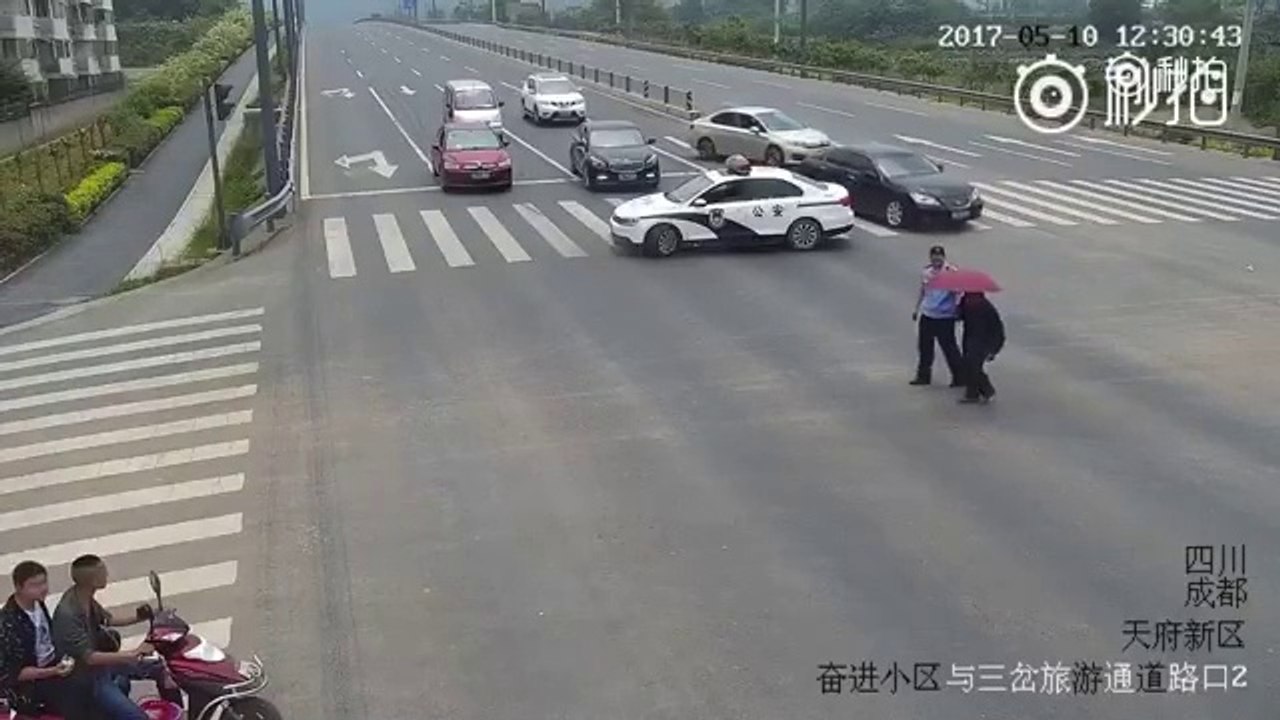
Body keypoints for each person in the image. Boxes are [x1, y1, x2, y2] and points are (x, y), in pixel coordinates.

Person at [51, 555, 157, 720]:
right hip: (88, 679)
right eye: (103, 572)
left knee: (159, 668)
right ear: (92, 580)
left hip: (102, 668)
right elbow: (90, 658)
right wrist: (133, 654)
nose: (107, 574)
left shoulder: (84, 598)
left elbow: (108, 620)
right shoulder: (68, 614)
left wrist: (140, 617)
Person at [1, 561, 93, 720]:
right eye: (34, 585)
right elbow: (12, 673)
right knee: (76, 699)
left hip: (55, 665)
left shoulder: (38, 604)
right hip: (30, 685)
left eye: (44, 582)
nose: (43, 588)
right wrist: (53, 671)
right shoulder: (8, 624)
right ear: (19, 587)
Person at [910, 245, 963, 387]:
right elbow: (923, 290)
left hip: (944, 317)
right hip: (927, 314)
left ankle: (960, 377)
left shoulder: (951, 273)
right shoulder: (927, 272)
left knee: (949, 348)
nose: (936, 260)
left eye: (939, 257)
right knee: (925, 348)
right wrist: (917, 309)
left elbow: (958, 293)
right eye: (934, 258)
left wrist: (958, 310)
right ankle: (923, 376)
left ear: (943, 258)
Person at [957, 291, 1005, 404]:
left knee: (974, 366)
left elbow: (998, 331)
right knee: (968, 366)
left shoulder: (987, 309)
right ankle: (972, 393)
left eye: (972, 298)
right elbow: (960, 316)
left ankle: (987, 390)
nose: (969, 301)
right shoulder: (965, 304)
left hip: (985, 342)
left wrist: (994, 350)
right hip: (970, 339)